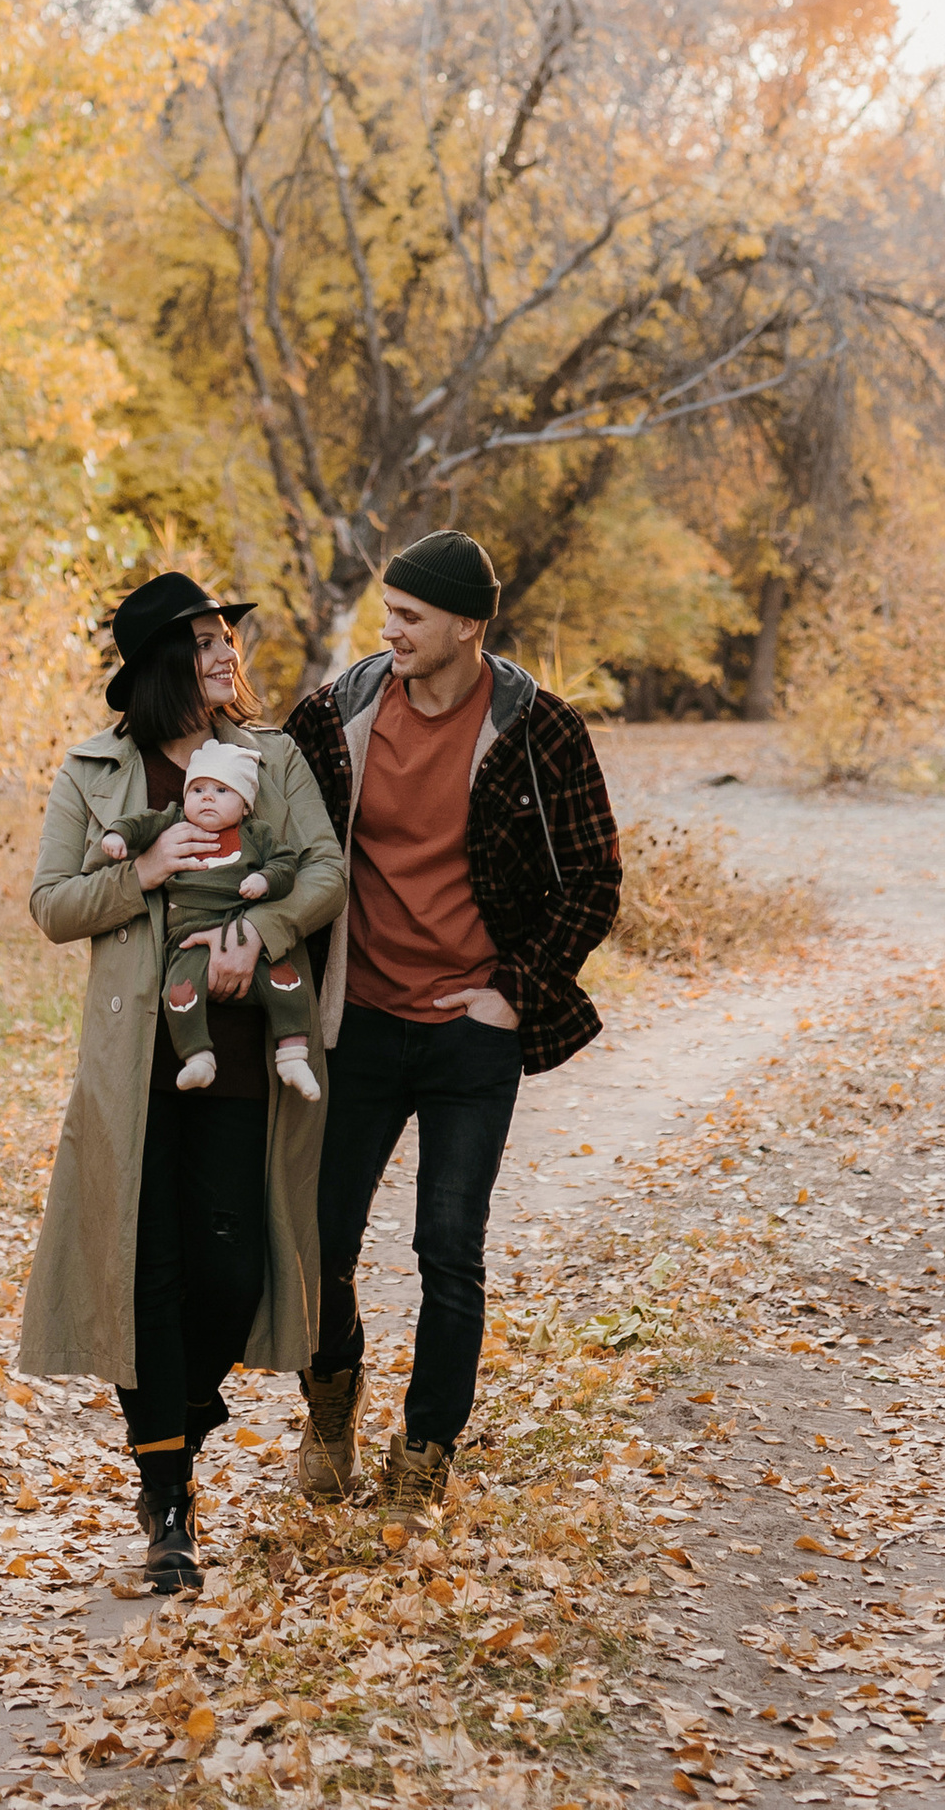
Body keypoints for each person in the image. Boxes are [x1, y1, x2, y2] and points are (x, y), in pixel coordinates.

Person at [284, 529, 622, 1519]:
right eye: (387, 612)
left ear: (468, 628)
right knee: (319, 1244)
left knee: (448, 1248)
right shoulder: (338, 710)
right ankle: (332, 1402)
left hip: (472, 1028)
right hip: (358, 1020)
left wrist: (513, 988)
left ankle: (426, 1449)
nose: (389, 629)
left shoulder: (536, 726)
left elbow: (593, 876)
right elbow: (259, 811)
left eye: (411, 617)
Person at [20, 572, 344, 1593]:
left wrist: (260, 929)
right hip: (134, 1067)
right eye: (205, 642)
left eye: (227, 640)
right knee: (141, 1269)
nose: (225, 656)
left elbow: (326, 873)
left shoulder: (270, 757)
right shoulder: (94, 772)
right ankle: (167, 1508)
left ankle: (183, 1409)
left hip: (244, 1054)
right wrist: (148, 870)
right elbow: (52, 904)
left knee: (231, 1267)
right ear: (165, 662)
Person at [90, 733, 322, 1097]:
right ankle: (198, 1056)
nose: (208, 797)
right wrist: (119, 836)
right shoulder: (175, 822)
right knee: (179, 993)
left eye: (222, 790)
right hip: (188, 939)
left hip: (243, 933)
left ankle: (292, 1054)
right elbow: (140, 822)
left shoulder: (256, 834)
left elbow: (286, 864)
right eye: (197, 790)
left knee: (286, 983)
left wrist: (265, 880)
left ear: (245, 805)